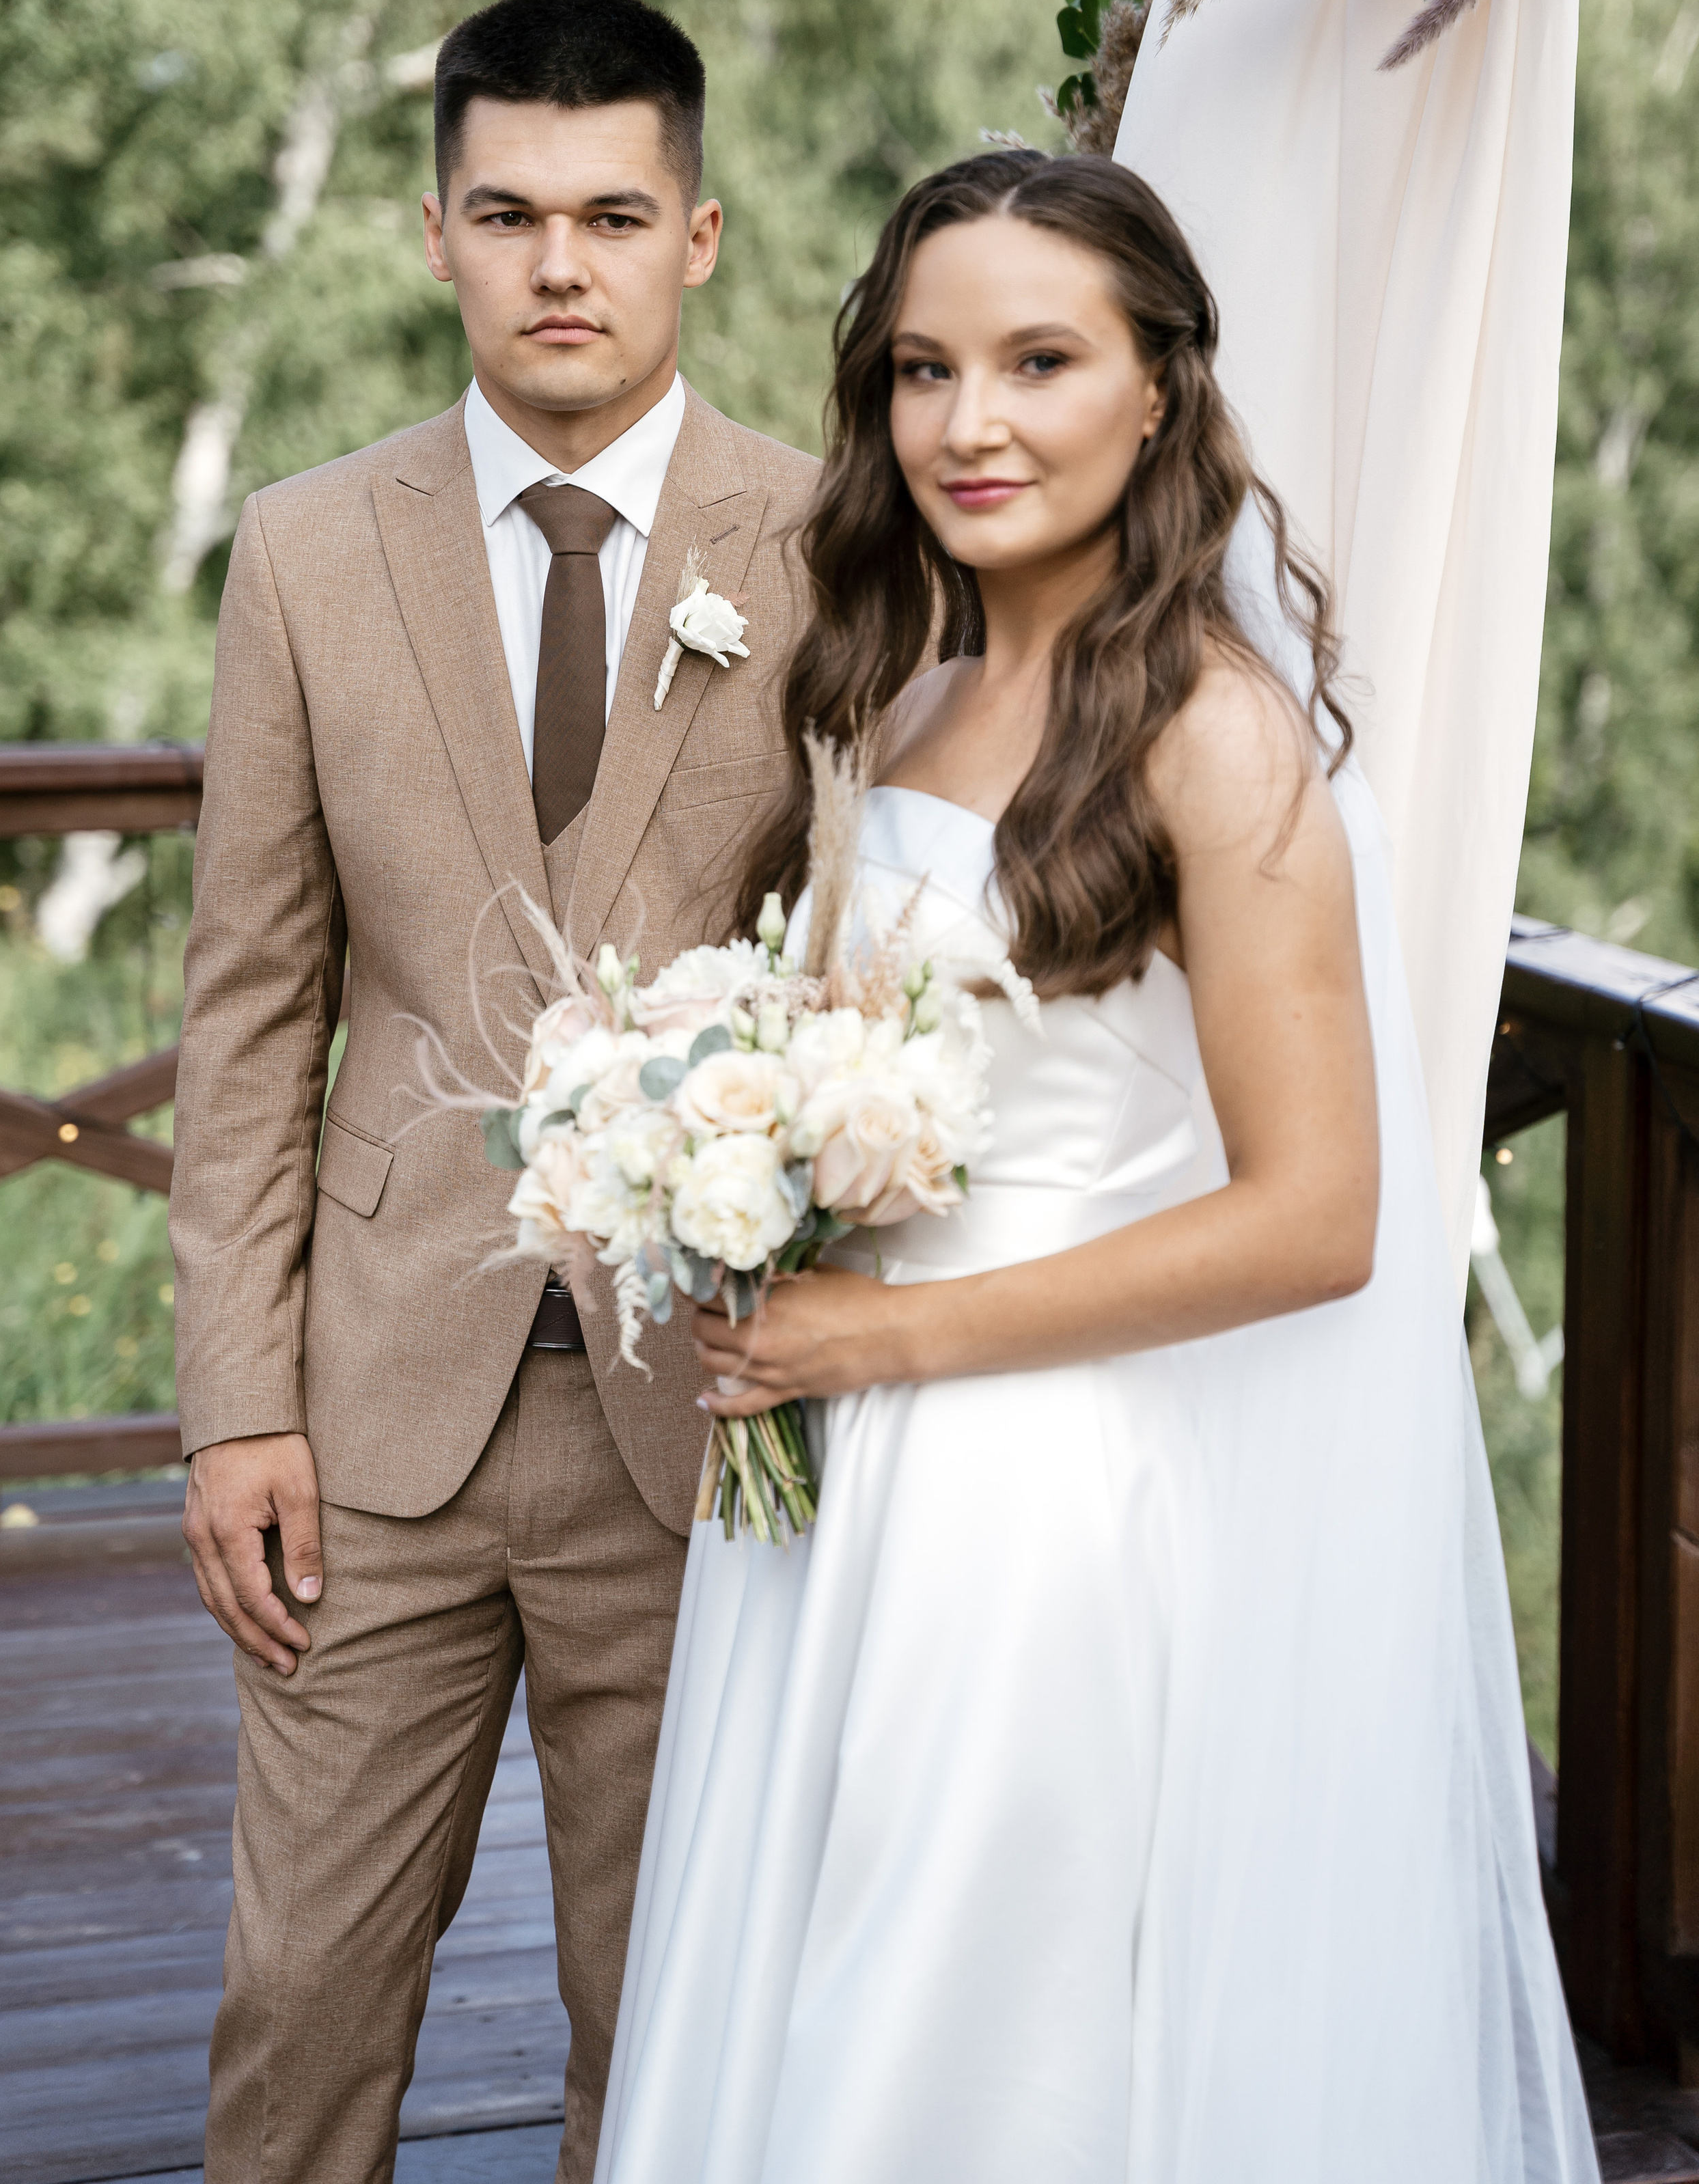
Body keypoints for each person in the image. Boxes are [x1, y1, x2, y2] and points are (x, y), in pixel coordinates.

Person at [596, 151, 1599, 2183]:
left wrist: (894, 1341)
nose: (968, 425)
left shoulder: (1217, 735)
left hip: (1037, 1500)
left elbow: (1323, 1219)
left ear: (1159, 388)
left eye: (1040, 361)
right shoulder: (915, 688)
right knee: (812, 1985)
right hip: (846, 1490)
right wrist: (719, 1153)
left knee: (959, 2035)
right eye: (922, 369)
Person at [169, 0, 815, 2184]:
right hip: (369, 1421)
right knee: (304, 2012)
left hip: (706, 1422)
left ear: (698, 238)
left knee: (679, 2032)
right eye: (511, 213)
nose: (564, 264)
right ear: (432, 231)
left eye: (614, 214)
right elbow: (253, 1011)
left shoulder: (833, 547)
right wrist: (236, 1399)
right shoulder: (305, 548)